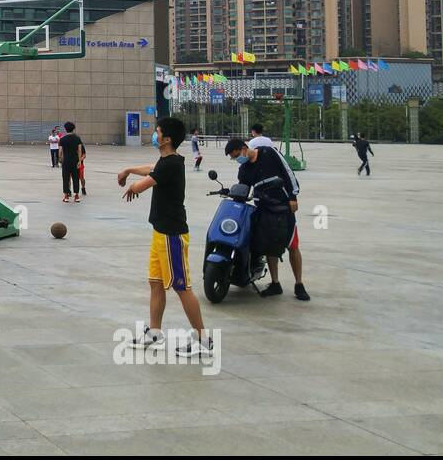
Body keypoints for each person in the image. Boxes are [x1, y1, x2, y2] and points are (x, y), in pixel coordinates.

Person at [117, 116, 210, 357]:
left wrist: (132, 184)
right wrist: (128, 169)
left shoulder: (171, 165)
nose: (154, 134)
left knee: (182, 287)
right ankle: (155, 332)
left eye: (157, 132)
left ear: (166, 139)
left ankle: (203, 339)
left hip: (172, 236)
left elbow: (144, 184)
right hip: (160, 233)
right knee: (155, 283)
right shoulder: (168, 160)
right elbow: (151, 168)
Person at [224, 136, 309, 301]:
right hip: (263, 209)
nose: (236, 159)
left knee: (292, 245)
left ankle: (299, 284)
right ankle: (275, 283)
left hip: (284, 206)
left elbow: (288, 172)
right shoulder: (244, 170)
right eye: (234, 158)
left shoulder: (269, 153)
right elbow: (243, 189)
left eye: (236, 155)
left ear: (243, 148)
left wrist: (293, 196)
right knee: (270, 246)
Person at [59, 121, 85, 203]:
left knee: (66, 178)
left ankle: (66, 196)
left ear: (65, 129)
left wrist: (61, 160)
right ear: (73, 129)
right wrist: (79, 161)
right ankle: (76, 196)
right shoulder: (77, 138)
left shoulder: (62, 139)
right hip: (75, 161)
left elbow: (60, 152)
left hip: (66, 161)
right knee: (75, 178)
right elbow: (80, 150)